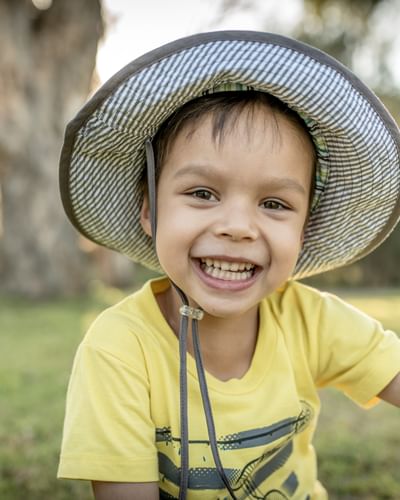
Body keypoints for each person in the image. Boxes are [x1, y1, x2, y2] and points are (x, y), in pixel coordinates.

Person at [57, 31, 400, 500]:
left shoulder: (310, 320)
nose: (238, 227)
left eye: (275, 203)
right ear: (148, 208)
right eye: (202, 193)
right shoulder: (119, 352)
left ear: (304, 229)